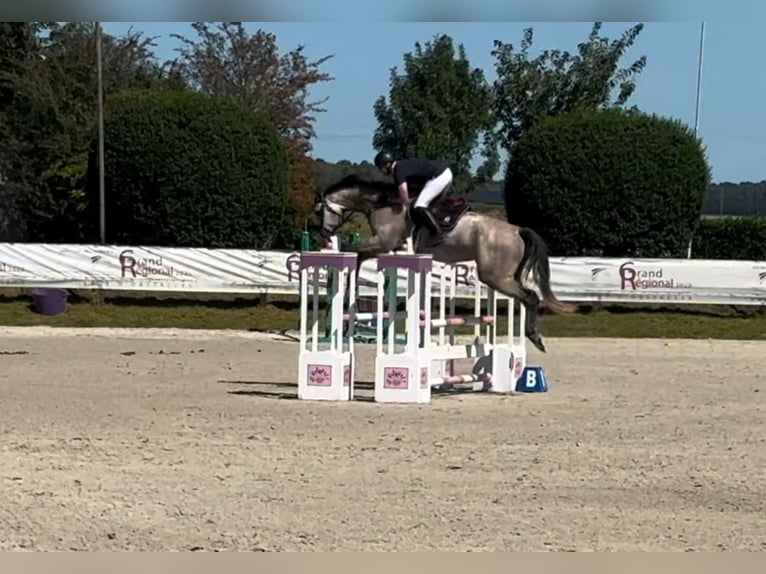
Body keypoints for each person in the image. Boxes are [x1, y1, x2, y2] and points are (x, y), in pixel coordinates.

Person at [373, 150, 453, 245]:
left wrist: (390, 200)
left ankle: (438, 234)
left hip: (439, 176)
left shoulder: (398, 171)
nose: (380, 170)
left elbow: (405, 198)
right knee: (431, 204)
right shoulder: (403, 165)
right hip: (445, 173)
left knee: (419, 206)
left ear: (387, 164)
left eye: (380, 167)